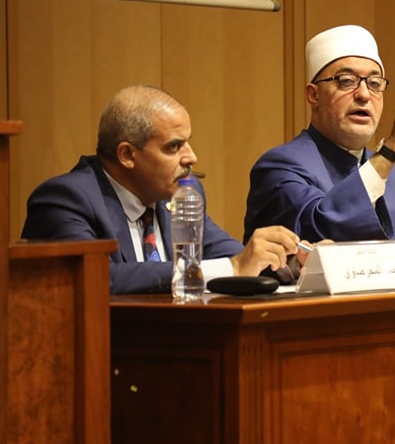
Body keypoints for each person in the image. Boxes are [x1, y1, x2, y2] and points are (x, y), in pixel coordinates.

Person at [21, 84, 304, 295]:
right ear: (127, 155)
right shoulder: (65, 200)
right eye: (174, 146)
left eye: (188, 142)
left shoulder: (183, 194)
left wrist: (289, 260)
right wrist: (233, 267)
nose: (191, 157)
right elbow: (97, 279)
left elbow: (228, 254)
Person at [243, 24, 395, 243]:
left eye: (374, 83)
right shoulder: (280, 167)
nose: (364, 95)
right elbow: (321, 231)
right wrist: (389, 153)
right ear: (313, 95)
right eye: (346, 81)